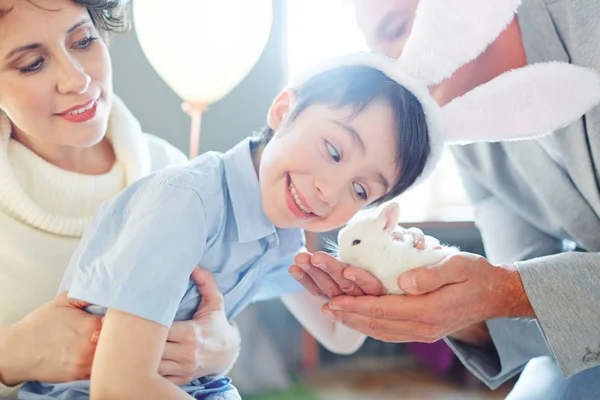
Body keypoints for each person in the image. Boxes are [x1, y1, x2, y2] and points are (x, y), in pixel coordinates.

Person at [21, 53, 440, 397]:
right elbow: (118, 387)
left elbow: (341, 336)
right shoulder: (186, 201)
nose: (329, 192)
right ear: (283, 110)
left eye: (362, 191)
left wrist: (390, 269)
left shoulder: (280, 234)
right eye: (332, 150)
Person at [289, 0, 600, 398]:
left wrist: (503, 291)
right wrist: (438, 302)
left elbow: (516, 288)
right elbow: (527, 292)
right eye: (376, 49)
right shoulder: (466, 141)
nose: (393, 68)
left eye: (398, 29)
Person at [0, 0, 240, 397]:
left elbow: (212, 314)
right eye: (32, 64)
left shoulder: (172, 171)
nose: (76, 80)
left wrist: (223, 345)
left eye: (82, 41)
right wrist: (10, 355)